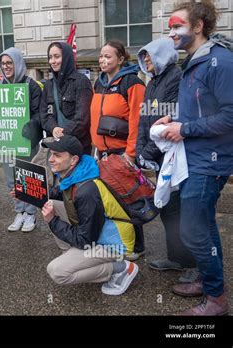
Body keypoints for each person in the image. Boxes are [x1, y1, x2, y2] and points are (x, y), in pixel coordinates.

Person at [155, 0, 233, 315]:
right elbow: (204, 107)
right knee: (204, 225)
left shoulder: (222, 62)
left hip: (209, 162)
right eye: (171, 26)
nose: (171, 32)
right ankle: (207, 280)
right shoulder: (193, 62)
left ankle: (216, 300)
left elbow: (230, 117)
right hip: (194, 159)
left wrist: (184, 128)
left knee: (192, 229)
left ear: (198, 26)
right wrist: (171, 119)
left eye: (177, 26)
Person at [40, 135, 138, 295]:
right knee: (49, 204)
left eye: (57, 155)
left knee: (57, 271)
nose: (51, 159)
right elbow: (57, 194)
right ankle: (73, 255)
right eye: (51, 154)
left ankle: (121, 268)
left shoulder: (87, 191)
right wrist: (25, 192)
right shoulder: (79, 171)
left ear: (73, 160)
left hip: (113, 245)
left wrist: (52, 221)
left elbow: (85, 239)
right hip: (93, 233)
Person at [135, 37, 198, 284]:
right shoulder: (152, 82)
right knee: (168, 209)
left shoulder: (176, 78)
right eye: (144, 57)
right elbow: (144, 120)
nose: (146, 60)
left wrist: (146, 152)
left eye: (149, 55)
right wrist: (141, 149)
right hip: (159, 157)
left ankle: (193, 263)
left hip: (174, 157)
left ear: (162, 55)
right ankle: (177, 258)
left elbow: (166, 123)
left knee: (182, 212)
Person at [90, 40, 146, 261]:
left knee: (129, 201)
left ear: (121, 59)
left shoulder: (132, 83)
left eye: (108, 56)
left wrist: (130, 154)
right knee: (111, 202)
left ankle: (137, 246)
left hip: (122, 153)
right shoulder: (99, 83)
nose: (103, 60)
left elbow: (137, 122)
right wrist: (95, 148)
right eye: (101, 56)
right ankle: (119, 242)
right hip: (102, 153)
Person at [0, 47, 43, 232]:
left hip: (26, 142)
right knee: (11, 180)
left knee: (28, 177)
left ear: (18, 63)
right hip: (7, 143)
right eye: (3, 63)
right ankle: (19, 211)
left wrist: (30, 126)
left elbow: (39, 113)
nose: (6, 66)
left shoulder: (31, 85)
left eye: (10, 63)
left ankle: (31, 214)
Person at [40, 41, 93, 154]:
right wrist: (53, 128)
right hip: (55, 148)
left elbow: (83, 118)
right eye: (50, 57)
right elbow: (44, 114)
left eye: (57, 57)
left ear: (67, 57)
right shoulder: (48, 85)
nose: (52, 61)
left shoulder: (81, 82)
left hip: (78, 147)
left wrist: (64, 132)